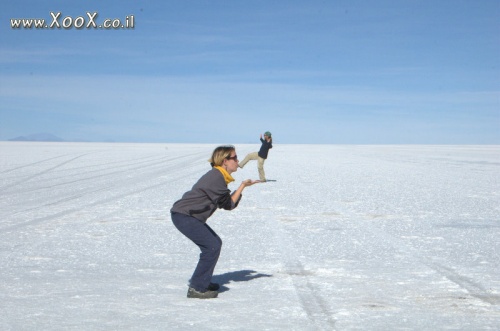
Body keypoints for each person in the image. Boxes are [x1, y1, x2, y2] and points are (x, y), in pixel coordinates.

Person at [170, 145, 260, 299]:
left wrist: (242, 186)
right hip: (184, 215)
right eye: (234, 158)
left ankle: (202, 281)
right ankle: (197, 288)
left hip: (187, 216)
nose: (237, 161)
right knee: (212, 246)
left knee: (214, 243)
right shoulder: (217, 177)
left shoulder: (219, 176)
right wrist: (242, 186)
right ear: (225, 161)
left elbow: (225, 203)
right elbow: (229, 204)